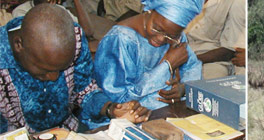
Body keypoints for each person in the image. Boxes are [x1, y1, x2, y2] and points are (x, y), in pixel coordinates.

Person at [0, 4, 149, 133]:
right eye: (44, 70)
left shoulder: (73, 37)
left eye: (61, 69)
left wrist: (111, 109)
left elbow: (84, 90)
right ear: (18, 44)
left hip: (68, 130)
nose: (54, 78)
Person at [93, 0, 203, 110]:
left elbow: (193, 67)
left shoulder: (175, 37)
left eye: (170, 36)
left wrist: (184, 88)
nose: (161, 39)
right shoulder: (121, 40)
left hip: (167, 108)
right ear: (149, 10)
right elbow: (119, 100)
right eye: (157, 29)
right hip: (131, 115)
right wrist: (167, 66)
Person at [187, 0, 246, 80]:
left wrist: (189, 61)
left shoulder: (236, 3)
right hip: (172, 51)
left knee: (207, 86)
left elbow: (231, 49)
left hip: (212, 59)